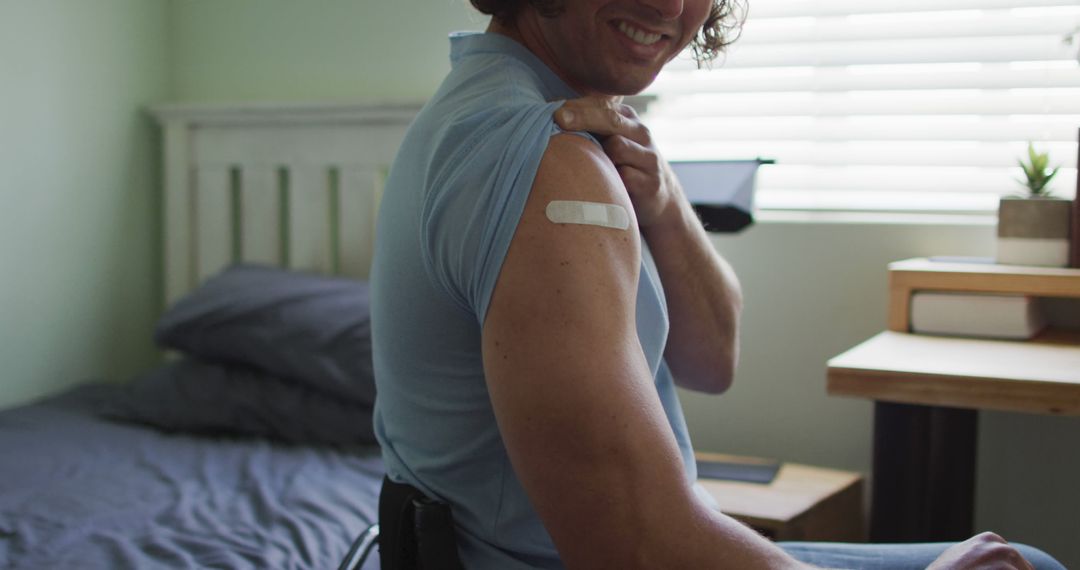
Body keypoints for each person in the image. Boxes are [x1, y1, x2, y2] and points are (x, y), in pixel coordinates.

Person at [369, 0, 1064, 568]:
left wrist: (665, 199)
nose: (669, 5)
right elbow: (635, 546)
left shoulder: (497, 111)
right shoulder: (546, 161)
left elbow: (712, 360)